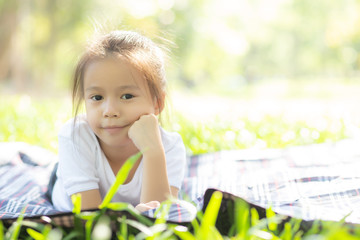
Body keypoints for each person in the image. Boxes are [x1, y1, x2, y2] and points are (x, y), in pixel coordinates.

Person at [50, 30, 186, 212]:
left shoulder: (169, 147)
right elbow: (90, 220)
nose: (110, 111)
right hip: (66, 187)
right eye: (97, 97)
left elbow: (160, 220)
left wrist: (153, 152)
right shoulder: (75, 136)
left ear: (157, 103)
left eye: (127, 96)